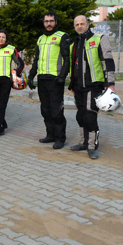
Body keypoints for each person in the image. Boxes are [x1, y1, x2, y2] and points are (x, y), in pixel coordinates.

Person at [68, 15, 115, 159]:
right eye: (77, 24)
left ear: (88, 24)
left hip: (93, 85)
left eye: (82, 24)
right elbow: (73, 66)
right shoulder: (74, 44)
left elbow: (108, 61)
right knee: (80, 115)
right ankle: (83, 142)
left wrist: (110, 84)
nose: (80, 26)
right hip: (78, 87)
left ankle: (92, 146)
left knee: (90, 116)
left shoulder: (99, 39)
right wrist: (72, 84)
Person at [28, 12, 72, 149]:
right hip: (42, 79)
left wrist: (62, 77)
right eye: (46, 21)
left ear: (56, 22)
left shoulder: (62, 36)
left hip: (55, 80)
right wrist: (31, 76)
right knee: (45, 110)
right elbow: (36, 59)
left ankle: (60, 138)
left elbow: (67, 59)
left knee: (56, 111)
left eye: (51, 21)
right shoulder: (40, 39)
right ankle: (50, 135)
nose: (49, 23)